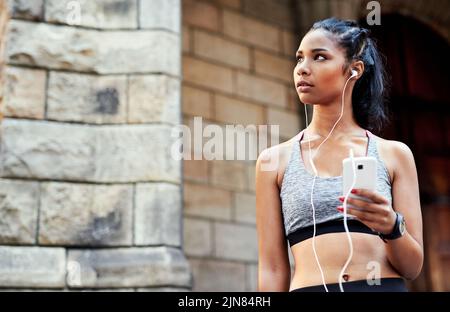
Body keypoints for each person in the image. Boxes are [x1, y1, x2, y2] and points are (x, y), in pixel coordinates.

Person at [255, 17, 423, 292]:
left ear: (354, 70)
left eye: (319, 57)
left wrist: (392, 226)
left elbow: (412, 267)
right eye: (299, 59)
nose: (302, 69)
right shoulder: (273, 161)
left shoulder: (394, 154)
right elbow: (272, 267)